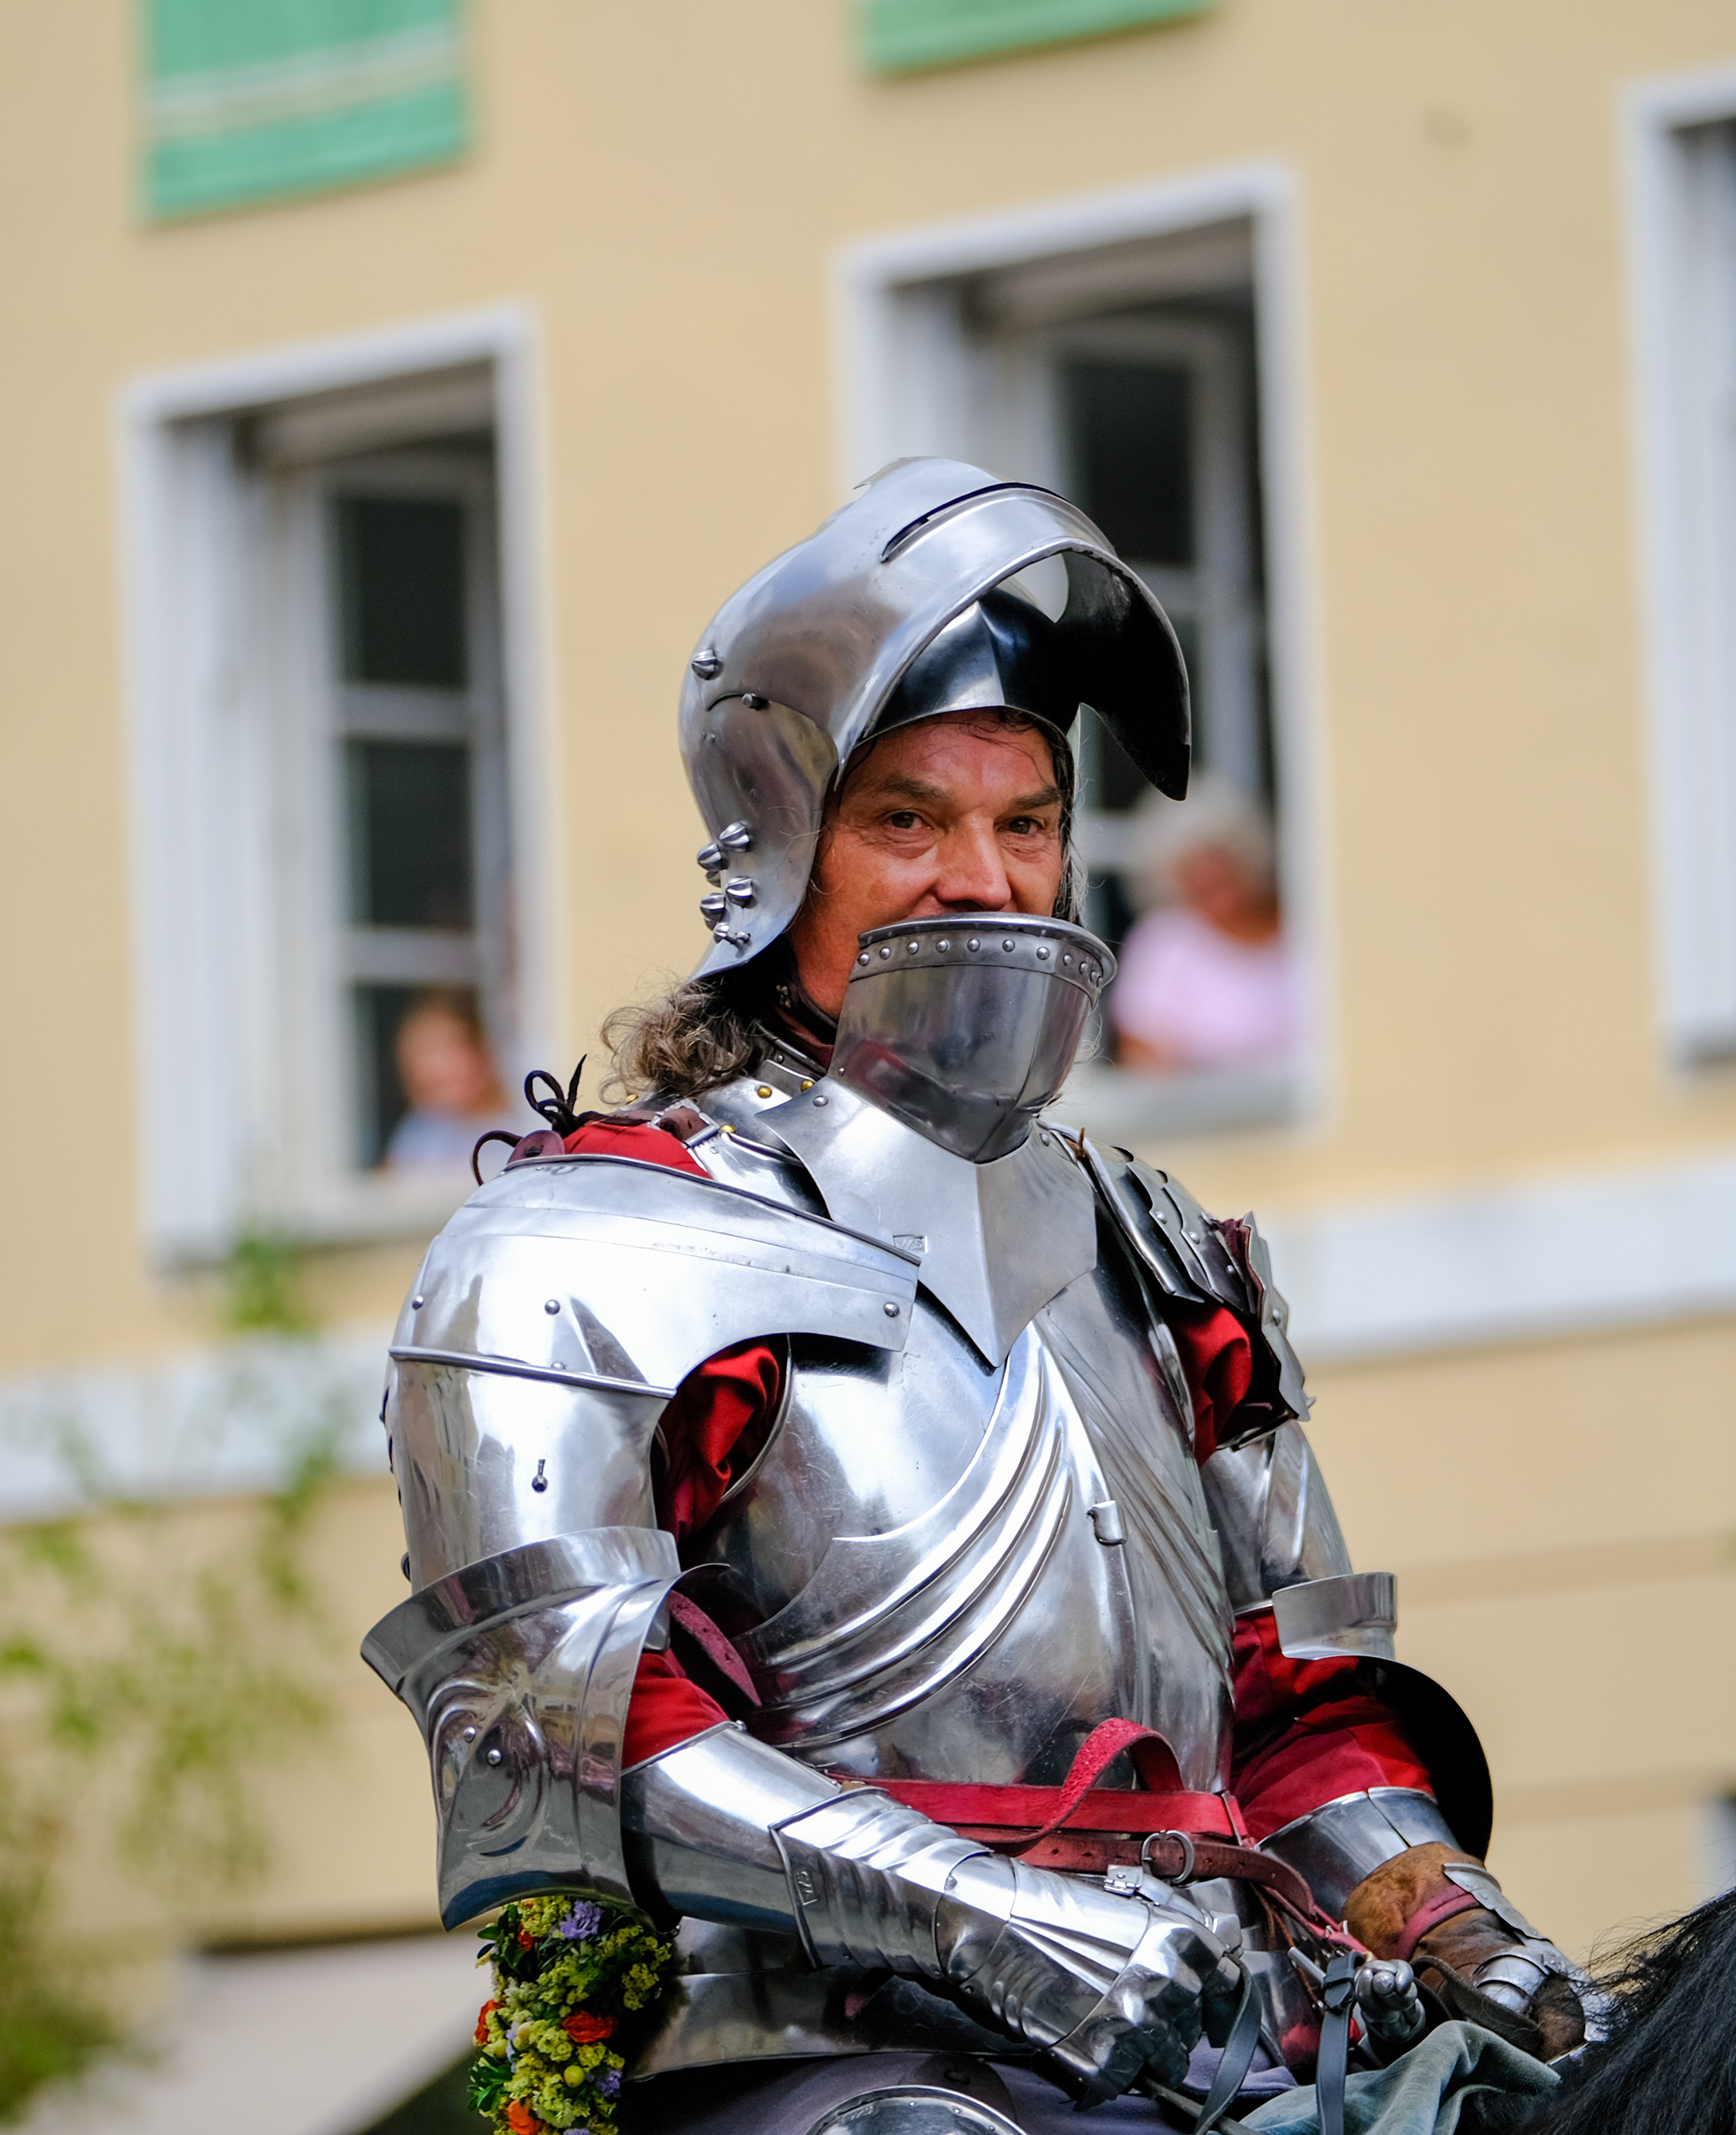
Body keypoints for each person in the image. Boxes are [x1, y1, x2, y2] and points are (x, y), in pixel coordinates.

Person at [364, 461, 1586, 2135]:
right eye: (908, 821)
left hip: (1223, 2038)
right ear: (777, 850)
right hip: (824, 2059)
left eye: (1027, 823)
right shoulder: (586, 1253)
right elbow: (557, 1740)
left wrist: (1463, 1926)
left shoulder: (1160, 1251)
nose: (985, 879)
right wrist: (989, 1920)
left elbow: (1301, 1712)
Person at [1107, 778, 1294, 1073]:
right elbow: (1141, 1059)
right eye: (1193, 872)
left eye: (1218, 862)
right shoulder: (1163, 940)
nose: (1209, 879)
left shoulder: (1303, 923)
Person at [378, 990, 512, 1177]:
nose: (438, 1066)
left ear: (481, 1048)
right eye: (424, 1055)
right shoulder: (422, 1131)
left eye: (451, 1047)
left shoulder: (526, 1121)